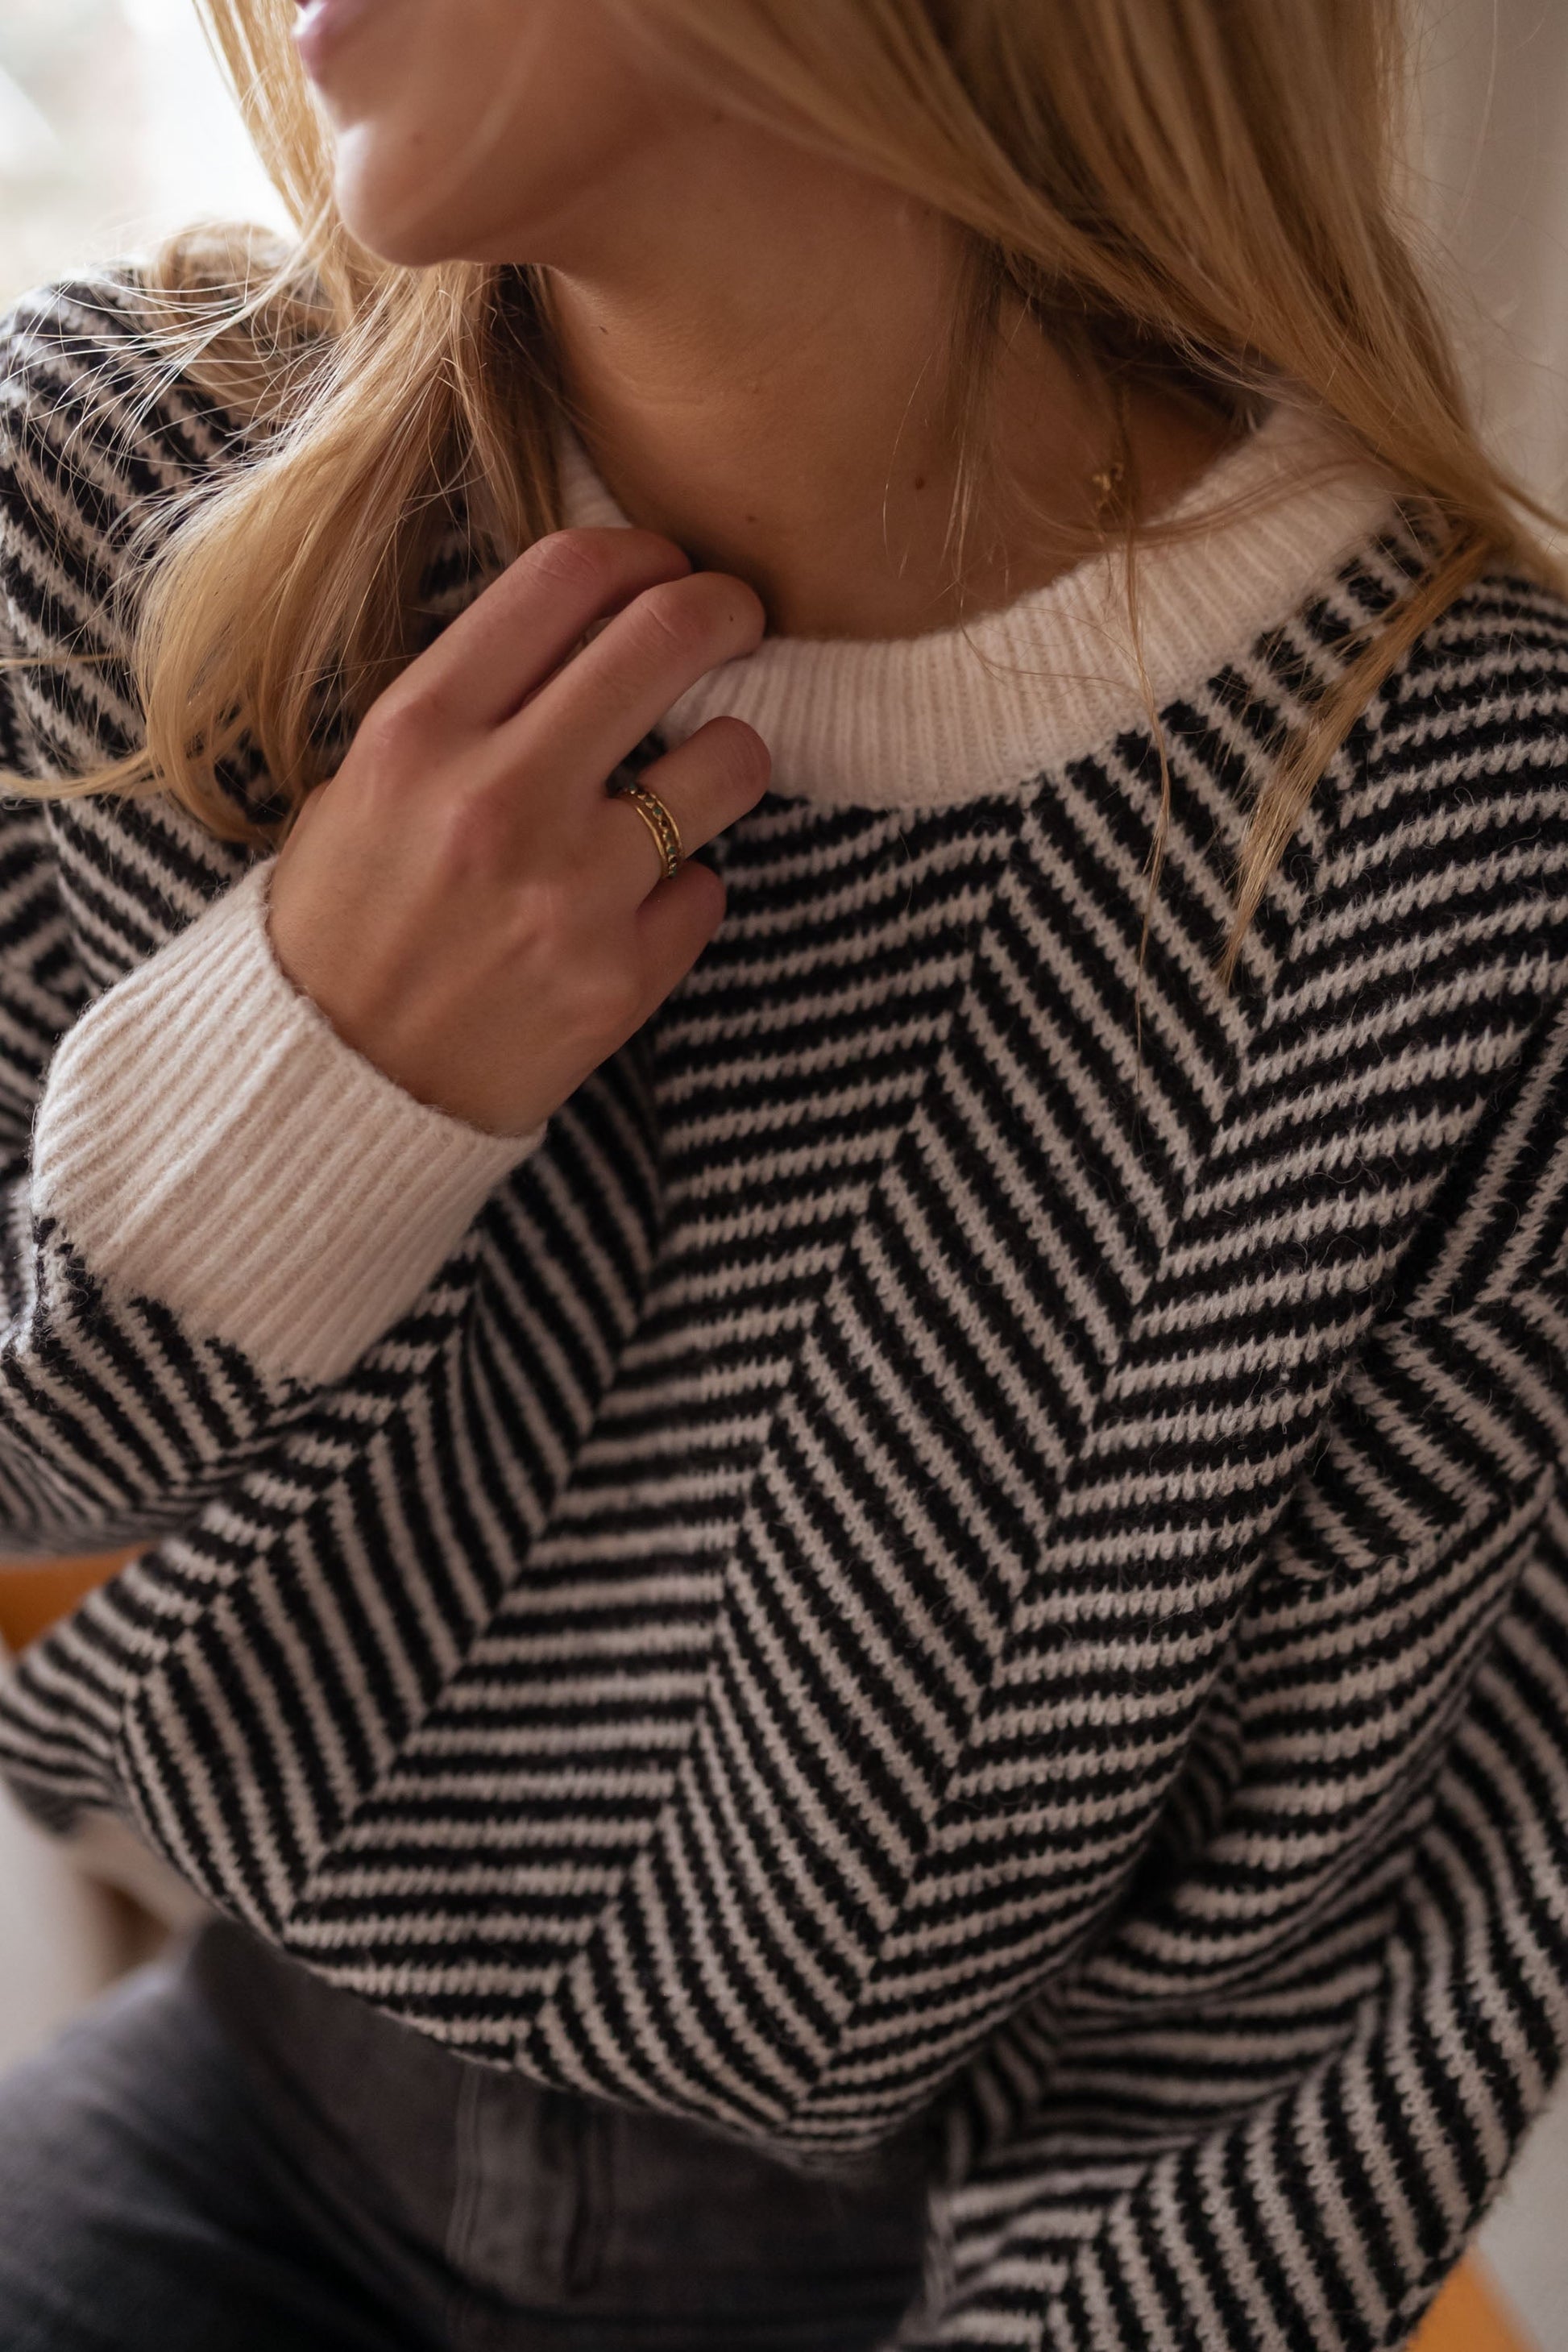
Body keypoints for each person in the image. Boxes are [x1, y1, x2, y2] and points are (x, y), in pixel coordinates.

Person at [0, 1, 1565, 2346]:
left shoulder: (1478, 872)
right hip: (237, 2127)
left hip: (905, 2277)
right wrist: (291, 1097)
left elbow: (1270, 2092)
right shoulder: (117, 478)